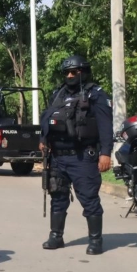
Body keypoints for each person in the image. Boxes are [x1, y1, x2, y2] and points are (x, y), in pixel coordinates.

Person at [39, 55, 113, 255]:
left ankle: (96, 240)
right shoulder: (58, 94)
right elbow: (47, 119)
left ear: (84, 72)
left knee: (89, 198)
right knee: (58, 196)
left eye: (74, 72)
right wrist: (43, 140)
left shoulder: (95, 94)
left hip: (83, 157)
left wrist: (105, 153)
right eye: (67, 73)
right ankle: (56, 236)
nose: (70, 76)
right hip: (57, 157)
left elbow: (106, 127)